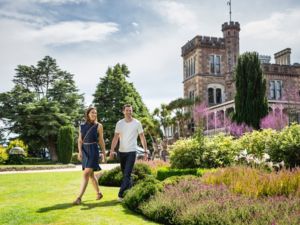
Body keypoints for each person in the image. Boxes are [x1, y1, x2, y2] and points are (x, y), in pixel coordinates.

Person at [109, 104, 148, 201]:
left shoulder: (137, 123)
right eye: (127, 110)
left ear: (132, 111)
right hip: (122, 152)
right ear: (123, 111)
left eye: (130, 110)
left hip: (132, 151)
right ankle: (130, 192)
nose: (129, 112)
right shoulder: (119, 123)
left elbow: (142, 137)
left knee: (127, 174)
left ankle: (121, 195)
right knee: (126, 175)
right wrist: (112, 150)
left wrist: (145, 151)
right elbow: (115, 138)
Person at [73, 106, 107, 205]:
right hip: (84, 151)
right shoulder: (82, 126)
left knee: (86, 174)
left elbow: (101, 141)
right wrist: (79, 152)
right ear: (88, 114)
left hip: (93, 150)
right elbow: (80, 140)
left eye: (95, 113)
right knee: (91, 175)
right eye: (92, 112)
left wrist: (104, 154)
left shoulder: (99, 126)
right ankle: (99, 193)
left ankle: (79, 198)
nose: (94, 114)